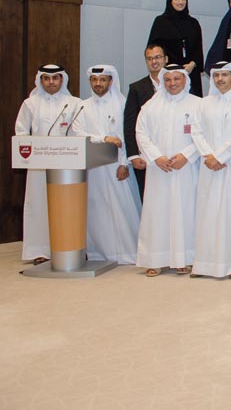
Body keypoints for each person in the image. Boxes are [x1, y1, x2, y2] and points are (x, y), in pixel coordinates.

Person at [134, 64, 201, 276]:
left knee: (186, 212)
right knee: (157, 213)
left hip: (186, 168)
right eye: (168, 80)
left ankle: (185, 259)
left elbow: (204, 135)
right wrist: (157, 157)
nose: (172, 83)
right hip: (159, 170)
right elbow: (140, 133)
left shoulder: (198, 105)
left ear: (185, 80)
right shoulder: (150, 107)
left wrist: (186, 155)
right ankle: (154, 259)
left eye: (177, 79)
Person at [190, 61, 231, 279]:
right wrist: (209, 156)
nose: (219, 79)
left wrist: (220, 156)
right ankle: (205, 264)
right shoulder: (203, 103)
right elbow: (196, 132)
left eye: (224, 75)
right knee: (208, 212)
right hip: (209, 166)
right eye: (216, 75)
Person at [71, 65, 141, 265]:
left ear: (111, 81)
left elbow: (128, 136)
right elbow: (77, 133)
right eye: (94, 80)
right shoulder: (83, 106)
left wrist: (124, 163)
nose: (98, 84)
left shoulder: (121, 104)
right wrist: (104, 138)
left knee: (122, 210)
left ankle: (125, 253)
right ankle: (97, 253)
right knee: (96, 211)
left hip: (117, 166)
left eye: (103, 80)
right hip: (93, 169)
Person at [14, 65, 83, 264]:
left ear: (62, 80)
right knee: (38, 206)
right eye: (46, 78)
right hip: (38, 166)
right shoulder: (30, 103)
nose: (51, 82)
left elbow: (79, 132)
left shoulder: (74, 103)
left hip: (67, 165)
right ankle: (39, 250)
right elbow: (21, 133)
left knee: (69, 206)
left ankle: (70, 247)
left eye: (55, 78)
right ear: (40, 80)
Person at [124, 43, 167, 199]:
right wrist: (134, 155)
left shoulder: (176, 84)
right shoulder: (136, 88)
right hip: (145, 156)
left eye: (157, 57)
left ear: (165, 59)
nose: (154, 61)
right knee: (148, 198)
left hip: (171, 156)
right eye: (149, 59)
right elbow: (129, 124)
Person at [147, 0, 205, 97]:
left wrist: (193, 64)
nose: (180, 2)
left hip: (190, 72)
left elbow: (198, 49)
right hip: (170, 73)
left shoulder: (193, 23)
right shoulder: (161, 22)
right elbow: (153, 48)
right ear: (170, 1)